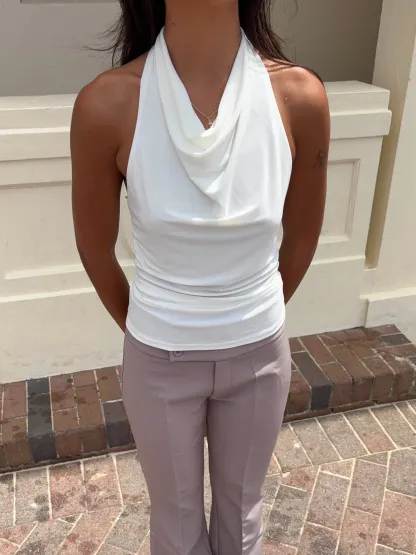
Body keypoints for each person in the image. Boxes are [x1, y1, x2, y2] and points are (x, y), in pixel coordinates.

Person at [71, 0, 330, 552]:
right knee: (177, 525)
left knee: (243, 519)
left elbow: (302, 241)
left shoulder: (299, 98)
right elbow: (94, 250)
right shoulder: (107, 104)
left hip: (259, 357)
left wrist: (247, 312)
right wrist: (157, 323)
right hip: (158, 361)